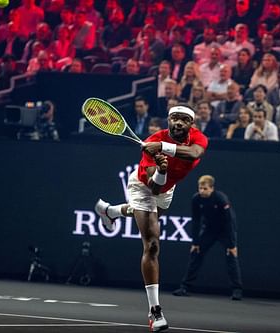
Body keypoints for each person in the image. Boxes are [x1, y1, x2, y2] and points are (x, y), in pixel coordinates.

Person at [94, 105, 208, 332]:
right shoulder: (152, 141)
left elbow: (195, 153)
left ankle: (111, 211)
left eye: (184, 120)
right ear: (168, 120)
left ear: (191, 125)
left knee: (145, 217)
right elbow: (154, 188)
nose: (178, 123)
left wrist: (164, 149)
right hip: (143, 187)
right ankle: (155, 311)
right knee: (152, 245)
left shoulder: (198, 139)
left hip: (168, 190)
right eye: (174, 118)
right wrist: (161, 169)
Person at [172, 175, 243, 301]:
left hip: (224, 231)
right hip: (209, 230)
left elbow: (229, 222)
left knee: (231, 257)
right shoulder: (196, 199)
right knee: (195, 253)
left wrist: (232, 245)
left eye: (205, 189)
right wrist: (195, 242)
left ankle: (237, 290)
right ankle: (184, 287)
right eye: (200, 188)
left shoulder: (221, 199)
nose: (202, 191)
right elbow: (196, 221)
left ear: (212, 188)